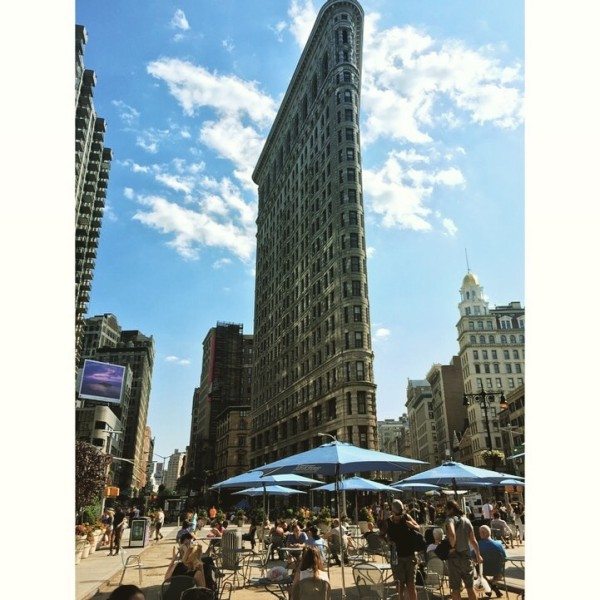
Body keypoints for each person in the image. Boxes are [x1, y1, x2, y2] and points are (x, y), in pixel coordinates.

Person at [383, 499, 421, 600]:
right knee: (399, 586)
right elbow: (381, 535)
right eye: (396, 515)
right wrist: (388, 541)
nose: (398, 517)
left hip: (410, 556)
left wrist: (412, 525)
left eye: (400, 514)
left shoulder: (406, 517)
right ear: (392, 512)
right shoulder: (388, 522)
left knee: (411, 585)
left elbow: (418, 527)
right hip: (397, 557)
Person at [445, 500, 483, 600]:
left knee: (456, 589)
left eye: (446, 509)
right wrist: (478, 555)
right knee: (470, 588)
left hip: (454, 559)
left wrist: (452, 546)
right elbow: (473, 540)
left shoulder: (449, 519)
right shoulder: (466, 520)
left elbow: (452, 534)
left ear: (451, 509)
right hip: (466, 557)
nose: (445, 511)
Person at [476, 525, 506, 598]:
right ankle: (494, 588)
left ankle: (489, 588)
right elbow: (504, 558)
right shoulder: (499, 544)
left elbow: (473, 558)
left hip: (485, 571)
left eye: (480, 533)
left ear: (482, 534)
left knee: (477, 568)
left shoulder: (478, 545)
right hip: (498, 572)